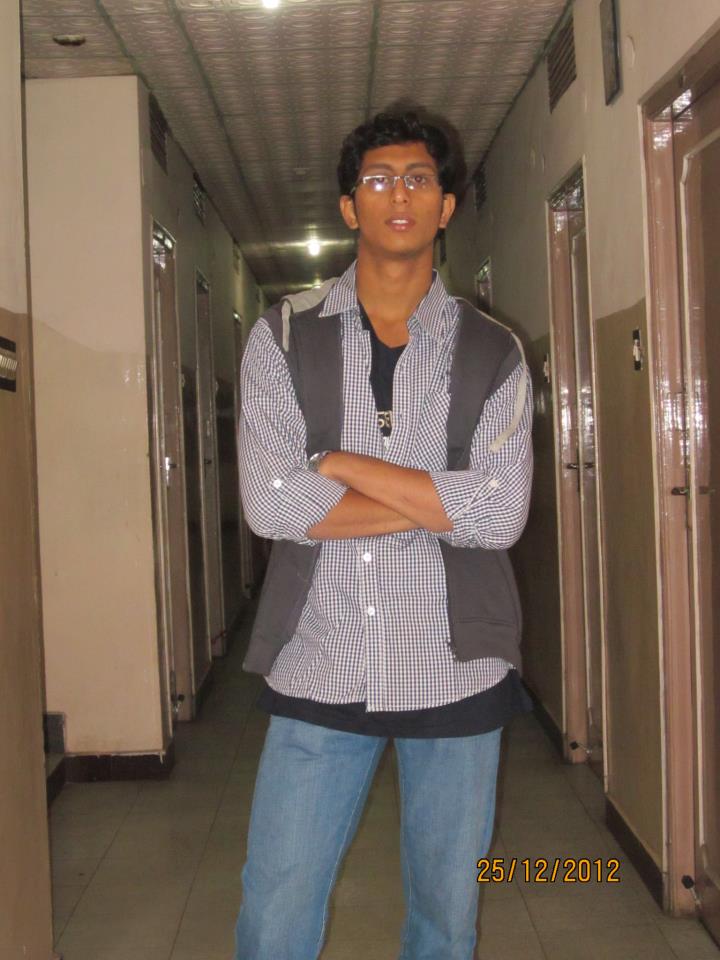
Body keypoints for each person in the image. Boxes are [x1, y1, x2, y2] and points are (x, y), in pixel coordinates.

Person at [234, 110, 533, 960]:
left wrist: (335, 464)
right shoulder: (281, 336)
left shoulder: (494, 351)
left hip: (457, 670)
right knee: (275, 911)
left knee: (446, 919)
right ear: (348, 206)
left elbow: (502, 517)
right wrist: (442, 501)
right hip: (319, 660)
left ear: (445, 207)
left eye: (418, 179)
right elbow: (270, 505)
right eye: (377, 180)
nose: (398, 195)